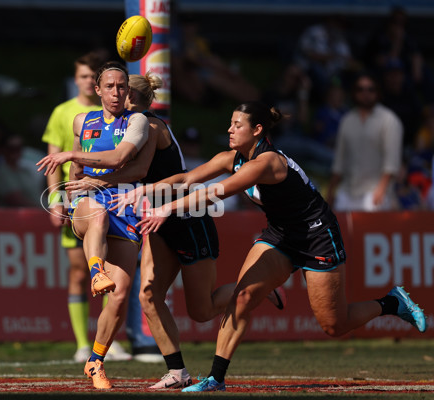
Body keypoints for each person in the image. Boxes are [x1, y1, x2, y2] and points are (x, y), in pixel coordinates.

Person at [131, 101, 426, 392]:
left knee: (334, 325)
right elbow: (185, 178)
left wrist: (165, 209)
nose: (229, 130)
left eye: (237, 125)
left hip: (316, 235)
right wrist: (144, 189)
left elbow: (215, 192)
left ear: (257, 130)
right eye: (230, 123)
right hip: (280, 235)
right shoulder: (231, 157)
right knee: (243, 296)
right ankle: (215, 379)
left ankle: (392, 303)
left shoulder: (268, 162)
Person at [68, 73, 286, 390]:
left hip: (186, 217)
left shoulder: (149, 126)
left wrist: (87, 172)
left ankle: (256, 288)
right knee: (148, 295)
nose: (116, 100)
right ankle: (176, 372)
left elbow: (135, 170)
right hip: (157, 218)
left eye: (122, 92)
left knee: (202, 310)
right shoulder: (132, 125)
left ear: (131, 99)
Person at [37, 61, 152, 389]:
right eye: (110, 86)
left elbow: (120, 159)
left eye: (122, 87)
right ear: (97, 90)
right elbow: (75, 174)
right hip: (88, 205)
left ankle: (95, 361)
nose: (116, 93)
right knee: (96, 217)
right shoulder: (81, 120)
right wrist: (71, 199)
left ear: (128, 90)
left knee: (119, 295)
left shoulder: (138, 121)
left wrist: (73, 157)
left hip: (124, 207)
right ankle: (95, 270)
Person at [326, 73, 403, 211]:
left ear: (378, 92)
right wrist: (331, 192)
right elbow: (339, 162)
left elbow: (392, 163)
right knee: (337, 226)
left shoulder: (389, 120)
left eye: (370, 89)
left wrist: (381, 191)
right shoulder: (347, 120)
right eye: (360, 89)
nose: (365, 93)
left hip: (375, 191)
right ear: (354, 93)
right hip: (348, 191)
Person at [0, 133, 45, 207]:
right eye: (12, 148)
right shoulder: (1, 173)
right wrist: (46, 211)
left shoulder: (25, 171)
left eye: (19, 147)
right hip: (23, 216)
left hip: (42, 212)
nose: (16, 151)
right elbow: (17, 201)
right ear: (2, 149)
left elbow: (39, 193)